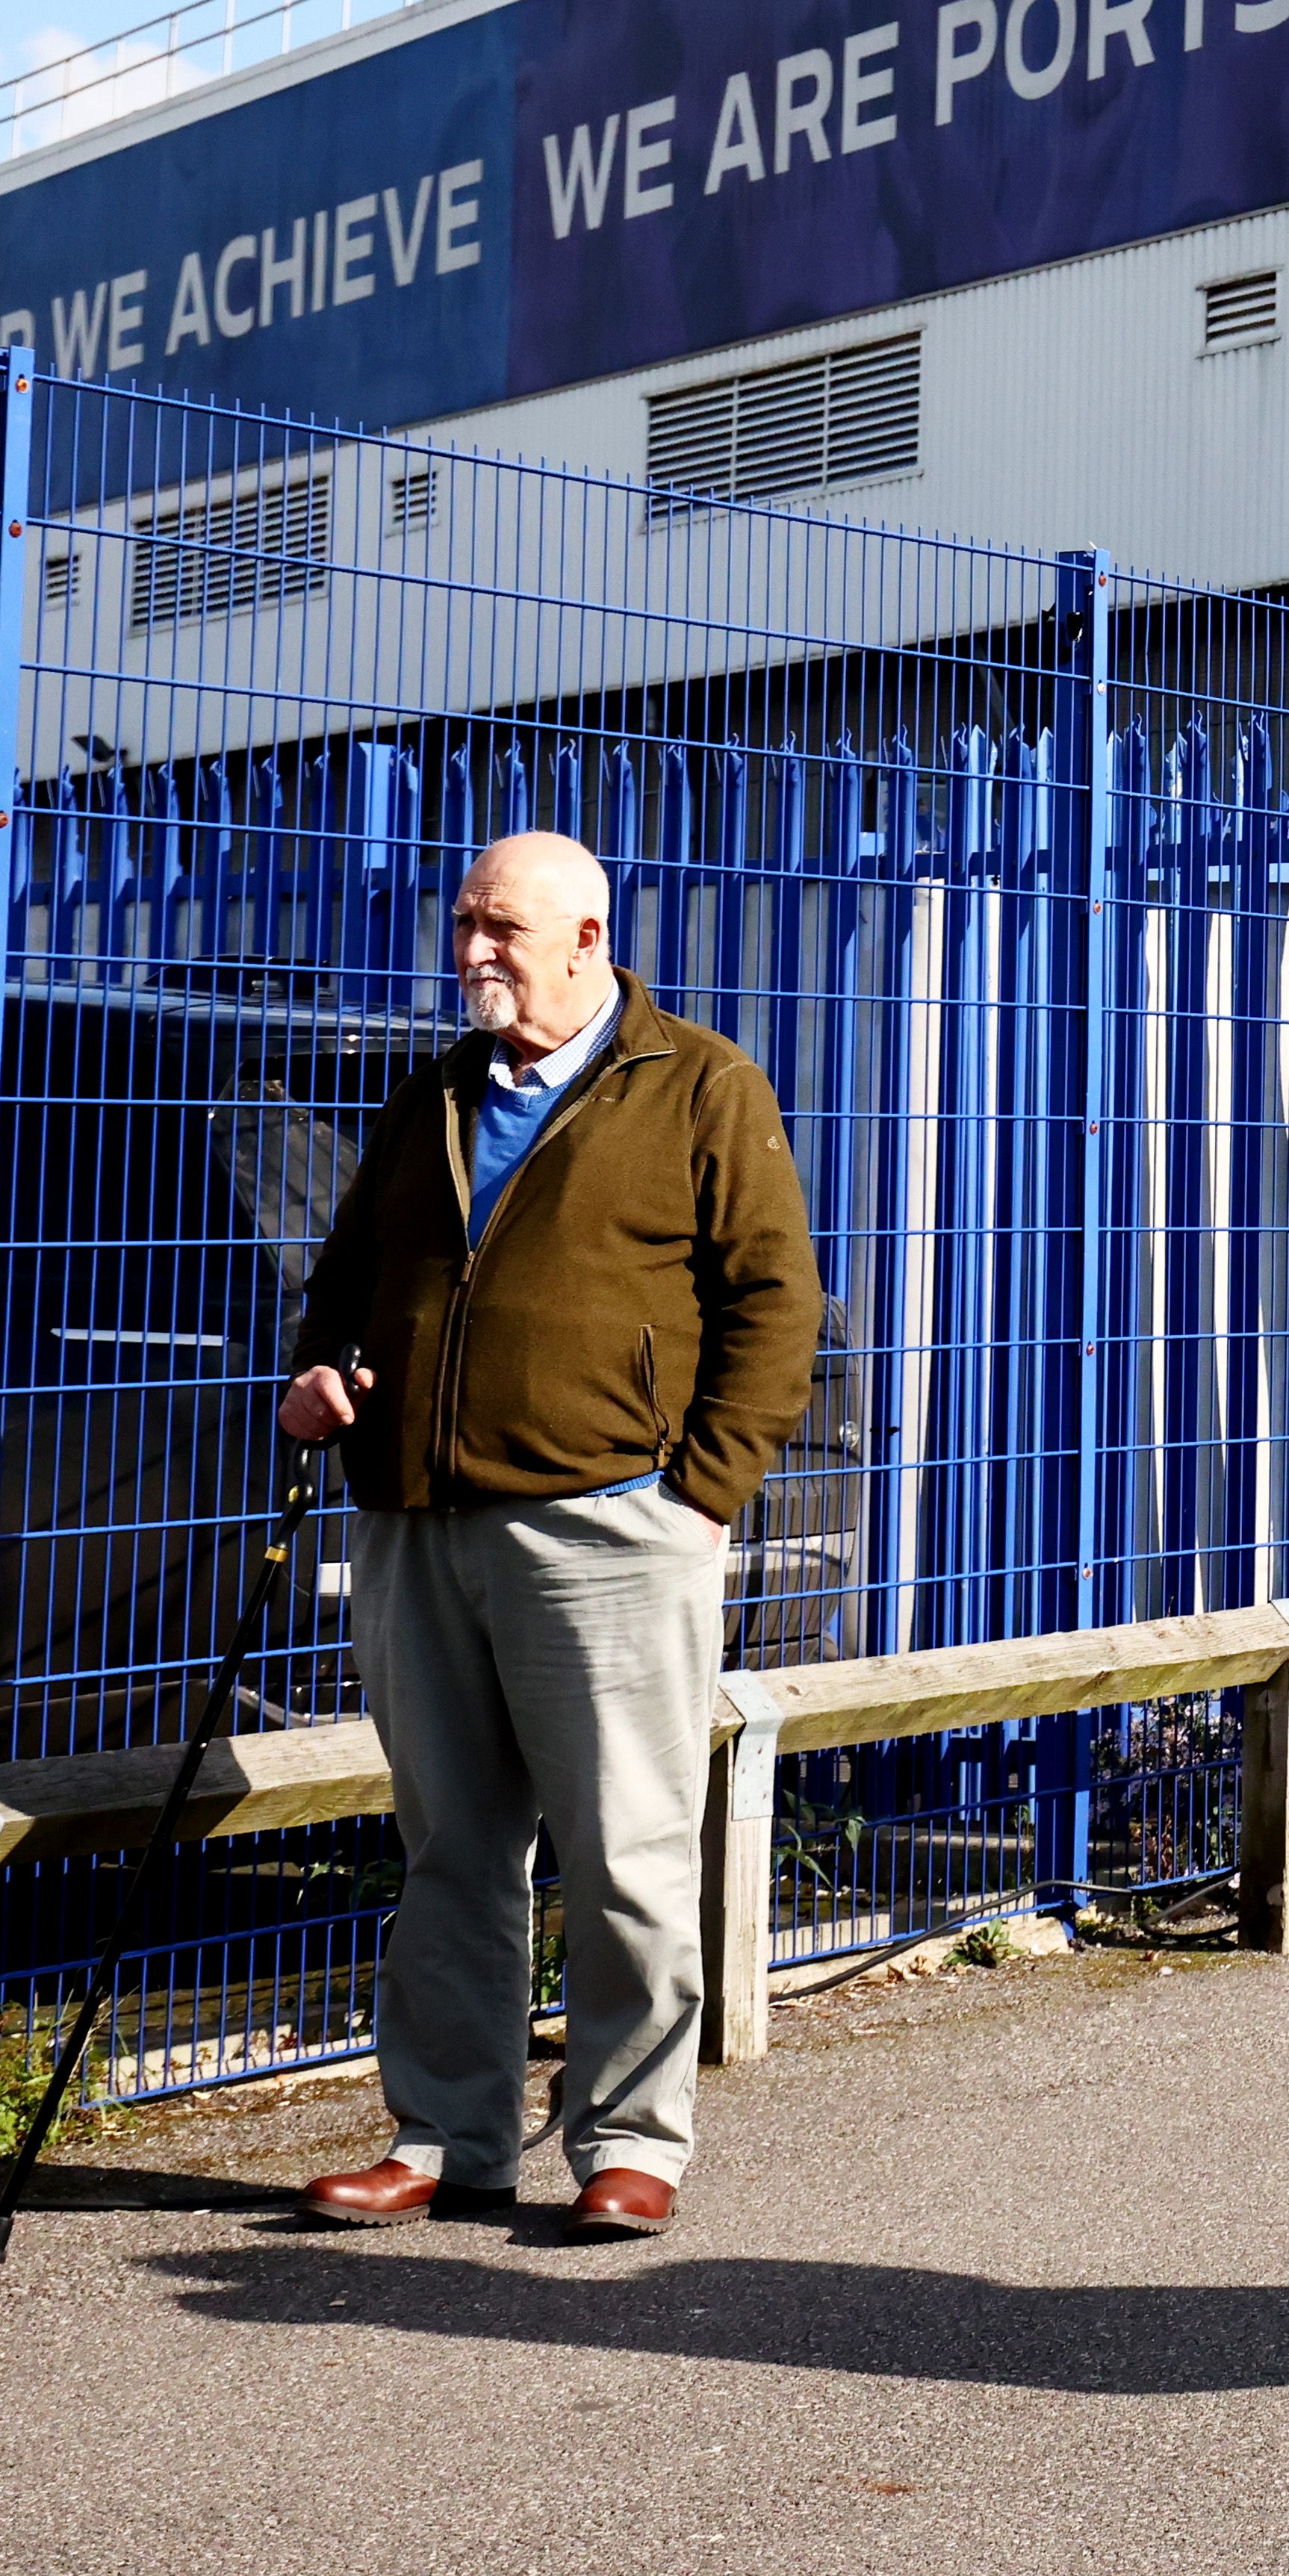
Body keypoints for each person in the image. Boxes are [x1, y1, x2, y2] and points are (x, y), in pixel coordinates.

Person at [276, 831, 825, 2239]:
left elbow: (775, 1307)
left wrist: (700, 1489)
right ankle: (445, 2134)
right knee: (450, 1847)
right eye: (463, 923)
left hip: (609, 1524)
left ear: (587, 935)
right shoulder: (434, 1096)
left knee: (627, 1847)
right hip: (419, 1523)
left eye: (499, 927)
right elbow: (344, 1280)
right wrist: (323, 1372)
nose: (470, 952)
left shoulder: (700, 1084)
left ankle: (632, 2139)